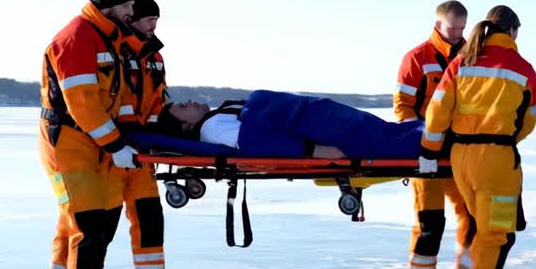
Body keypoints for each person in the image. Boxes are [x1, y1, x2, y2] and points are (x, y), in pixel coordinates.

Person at [418, 5, 536, 269]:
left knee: (477, 229)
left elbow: (437, 111)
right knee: (495, 238)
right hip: (496, 162)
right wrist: (502, 139)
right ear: (513, 31)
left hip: (461, 160)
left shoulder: (462, 62)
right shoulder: (521, 67)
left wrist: (429, 150)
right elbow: (528, 120)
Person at [37, 0, 141, 269]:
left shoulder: (107, 38)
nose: (133, 12)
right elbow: (83, 103)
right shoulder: (78, 38)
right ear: (111, 4)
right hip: (69, 145)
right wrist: (115, 145)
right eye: (128, 6)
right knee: (91, 228)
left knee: (78, 225)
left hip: (94, 144)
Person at [393, 0, 473, 269]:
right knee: (430, 224)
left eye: (462, 29)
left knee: (472, 219)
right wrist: (415, 148)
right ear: (439, 23)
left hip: (462, 154)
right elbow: (404, 108)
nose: (457, 34)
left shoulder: (472, 57)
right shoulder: (416, 58)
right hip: (426, 154)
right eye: (453, 28)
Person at [115, 0, 184, 269]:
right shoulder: (115, 53)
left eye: (156, 19)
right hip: (110, 152)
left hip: (141, 154)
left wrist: (160, 138)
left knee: (150, 220)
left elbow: (159, 101)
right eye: (149, 19)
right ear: (131, 19)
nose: (154, 25)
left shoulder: (155, 57)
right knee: (90, 229)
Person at [155, 91, 426, 160]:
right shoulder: (212, 129)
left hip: (312, 114)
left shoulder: (216, 118)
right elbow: (258, 143)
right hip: (313, 126)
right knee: (386, 140)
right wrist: (314, 151)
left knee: (387, 133)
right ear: (185, 128)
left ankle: (434, 134)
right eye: (181, 108)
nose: (188, 102)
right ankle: (441, 138)